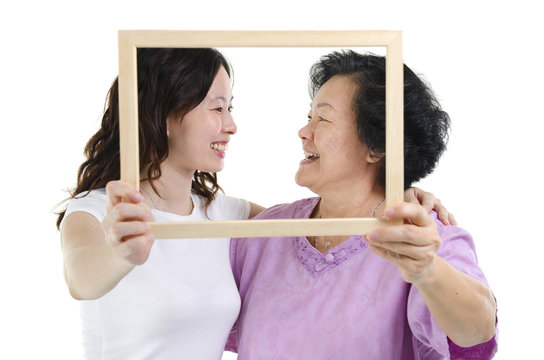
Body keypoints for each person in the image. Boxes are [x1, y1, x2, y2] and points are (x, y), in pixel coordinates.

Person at [57, 48, 453, 359]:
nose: (231, 125)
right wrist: (120, 253)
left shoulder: (228, 216)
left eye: (231, 108)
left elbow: (325, 225)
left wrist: (398, 191)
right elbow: (81, 279)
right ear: (162, 113)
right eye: (217, 108)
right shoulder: (95, 212)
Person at [226, 51, 498, 359]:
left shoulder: (423, 239)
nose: (304, 132)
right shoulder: (264, 234)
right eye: (308, 117)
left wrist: (428, 270)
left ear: (377, 146)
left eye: (323, 118)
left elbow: (478, 331)